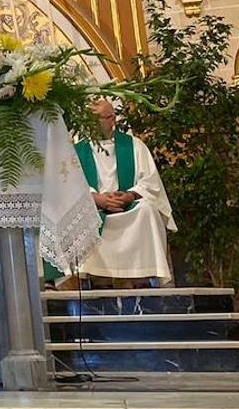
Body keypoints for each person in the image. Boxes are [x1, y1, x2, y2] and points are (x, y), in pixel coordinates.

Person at [72, 98, 176, 287]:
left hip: (128, 205)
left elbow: (150, 183)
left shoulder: (134, 146)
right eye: (108, 117)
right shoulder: (76, 152)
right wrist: (97, 199)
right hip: (94, 206)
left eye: (113, 116)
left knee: (147, 210)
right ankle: (98, 279)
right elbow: (69, 187)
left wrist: (130, 195)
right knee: (80, 214)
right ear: (92, 122)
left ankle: (141, 278)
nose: (113, 122)